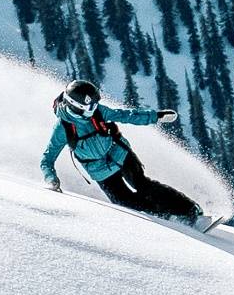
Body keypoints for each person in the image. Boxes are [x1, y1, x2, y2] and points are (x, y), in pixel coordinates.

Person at [41, 79, 214, 230]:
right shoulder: (62, 128)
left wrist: (156, 116)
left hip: (120, 153)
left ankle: (191, 211)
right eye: (90, 106)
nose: (95, 108)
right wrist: (51, 179)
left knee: (143, 184)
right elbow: (47, 159)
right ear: (77, 107)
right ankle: (164, 215)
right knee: (125, 202)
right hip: (100, 171)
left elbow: (126, 115)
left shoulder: (98, 112)